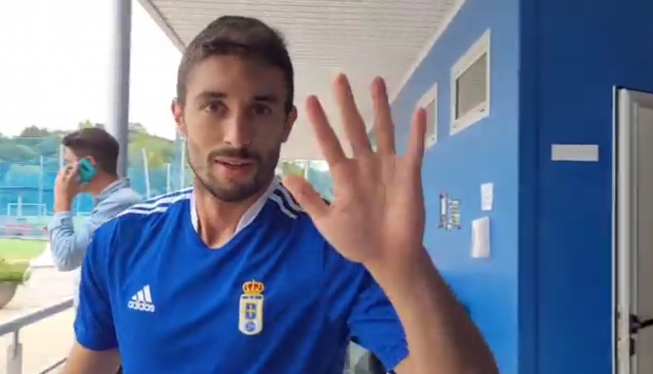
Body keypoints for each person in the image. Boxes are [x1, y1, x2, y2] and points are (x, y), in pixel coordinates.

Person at [63, 16, 499, 374]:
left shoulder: (337, 245)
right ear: (180, 116)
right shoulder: (122, 242)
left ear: (288, 122)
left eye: (261, 108)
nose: (237, 135)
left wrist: (404, 264)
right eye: (215, 106)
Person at [48, 127, 141, 307]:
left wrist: (62, 202)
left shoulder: (120, 205)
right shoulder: (114, 202)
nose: (64, 173)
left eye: (68, 163)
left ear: (88, 165)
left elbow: (65, 257)